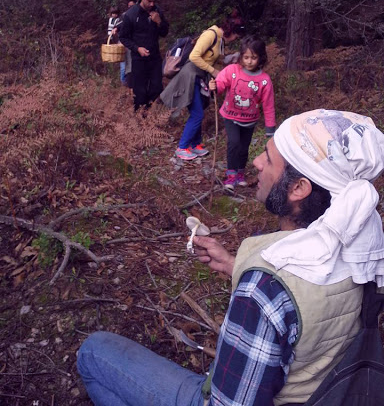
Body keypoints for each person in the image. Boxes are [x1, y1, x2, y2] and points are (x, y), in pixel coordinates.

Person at [77, 109, 384, 406]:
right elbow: (309, 301)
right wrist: (233, 263)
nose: (257, 161)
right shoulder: (364, 249)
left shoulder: (263, 291)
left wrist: (255, 281)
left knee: (93, 352)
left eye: (268, 158)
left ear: (299, 188)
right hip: (324, 392)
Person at [161, 13, 245, 161]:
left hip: (199, 78)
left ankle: (195, 144)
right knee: (197, 113)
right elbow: (194, 56)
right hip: (190, 76)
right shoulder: (211, 35)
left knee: (199, 111)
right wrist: (213, 71)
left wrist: (234, 59)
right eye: (236, 36)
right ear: (231, 31)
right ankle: (182, 147)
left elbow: (217, 59)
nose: (235, 39)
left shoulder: (220, 40)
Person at [209, 36, 275, 190]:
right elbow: (221, 83)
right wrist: (215, 87)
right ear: (241, 57)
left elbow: (268, 105)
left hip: (250, 120)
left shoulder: (264, 80)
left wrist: (270, 130)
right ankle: (231, 176)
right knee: (234, 143)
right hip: (230, 116)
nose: (249, 61)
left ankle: (240, 173)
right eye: (246, 57)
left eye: (253, 58)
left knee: (244, 147)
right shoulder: (232, 71)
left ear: (260, 58)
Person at [119, 0, 169, 110]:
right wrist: (137, 48)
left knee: (157, 88)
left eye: (154, 1)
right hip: (138, 59)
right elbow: (123, 37)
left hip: (154, 58)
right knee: (140, 92)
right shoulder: (131, 15)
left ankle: (149, 112)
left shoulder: (157, 11)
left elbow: (164, 33)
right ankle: (140, 118)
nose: (152, 4)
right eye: (149, 1)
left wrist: (159, 22)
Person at [121, 0, 138, 91]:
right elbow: (121, 28)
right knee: (128, 67)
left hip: (138, 45)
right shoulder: (125, 15)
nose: (131, 8)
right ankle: (129, 88)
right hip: (129, 45)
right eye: (129, 6)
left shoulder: (141, 15)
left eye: (132, 6)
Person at [107, 6, 127, 86]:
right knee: (123, 63)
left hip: (123, 39)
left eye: (115, 13)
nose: (114, 15)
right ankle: (123, 81)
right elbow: (110, 30)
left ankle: (126, 80)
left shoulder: (121, 19)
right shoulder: (112, 20)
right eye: (113, 13)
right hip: (118, 40)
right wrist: (111, 38)